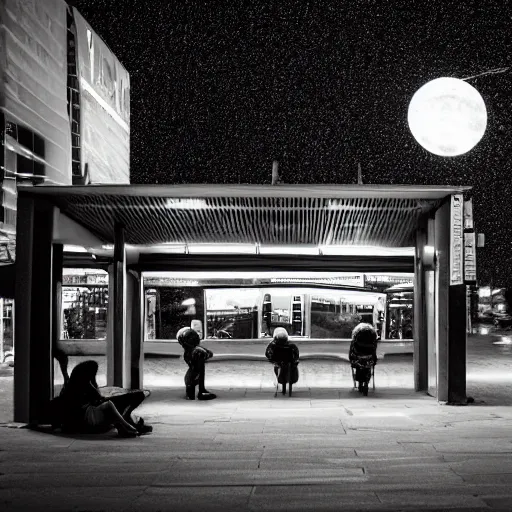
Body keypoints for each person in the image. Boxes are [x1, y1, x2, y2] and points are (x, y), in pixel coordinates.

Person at [56, 360, 152, 437]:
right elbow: (97, 397)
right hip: (91, 416)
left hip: (92, 412)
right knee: (134, 396)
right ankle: (127, 424)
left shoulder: (75, 388)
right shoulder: (80, 388)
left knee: (133, 397)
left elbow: (97, 398)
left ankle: (127, 422)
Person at [177, 327, 216, 400]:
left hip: (190, 378)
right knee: (197, 374)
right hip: (194, 378)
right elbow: (209, 354)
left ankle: (197, 391)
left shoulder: (187, 352)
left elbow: (208, 354)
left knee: (195, 375)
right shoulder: (196, 351)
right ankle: (199, 392)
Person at [265, 327, 299, 395]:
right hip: (289, 360)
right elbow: (296, 352)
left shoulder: (273, 344)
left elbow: (267, 353)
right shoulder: (291, 345)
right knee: (293, 367)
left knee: (277, 367)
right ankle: (291, 379)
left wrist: (271, 359)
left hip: (278, 360)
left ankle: (279, 378)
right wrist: (296, 359)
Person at [349, 323, 378, 395]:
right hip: (369, 358)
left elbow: (351, 351)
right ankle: (366, 383)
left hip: (357, 359)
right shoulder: (372, 339)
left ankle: (360, 383)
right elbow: (374, 351)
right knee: (368, 368)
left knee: (359, 367)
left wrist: (351, 358)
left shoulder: (355, 341)